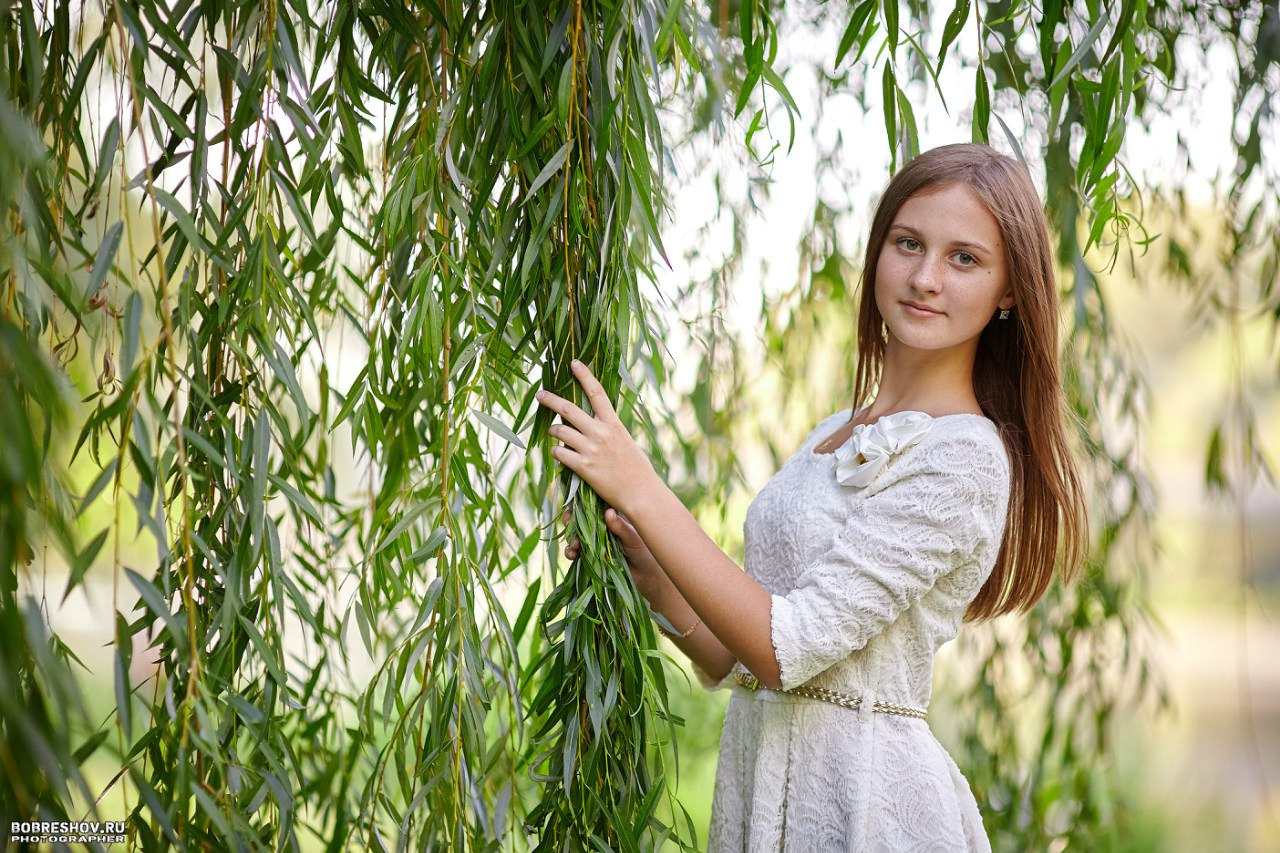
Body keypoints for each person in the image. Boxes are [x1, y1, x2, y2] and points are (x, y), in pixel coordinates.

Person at [534, 143, 1089, 852]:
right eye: (908, 243)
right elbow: (736, 660)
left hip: (865, 811)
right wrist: (652, 570)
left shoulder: (964, 457)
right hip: (761, 790)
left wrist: (640, 487)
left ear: (1009, 289)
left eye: (964, 259)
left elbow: (783, 650)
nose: (925, 278)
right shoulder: (835, 431)